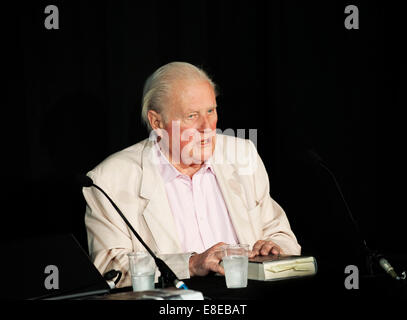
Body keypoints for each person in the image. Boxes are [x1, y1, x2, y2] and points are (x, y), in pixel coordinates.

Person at [83, 62, 301, 287]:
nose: (207, 126)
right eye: (191, 115)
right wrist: (190, 264)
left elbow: (282, 235)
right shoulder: (109, 179)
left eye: (211, 110)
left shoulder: (242, 155)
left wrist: (274, 247)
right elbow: (109, 269)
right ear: (157, 122)